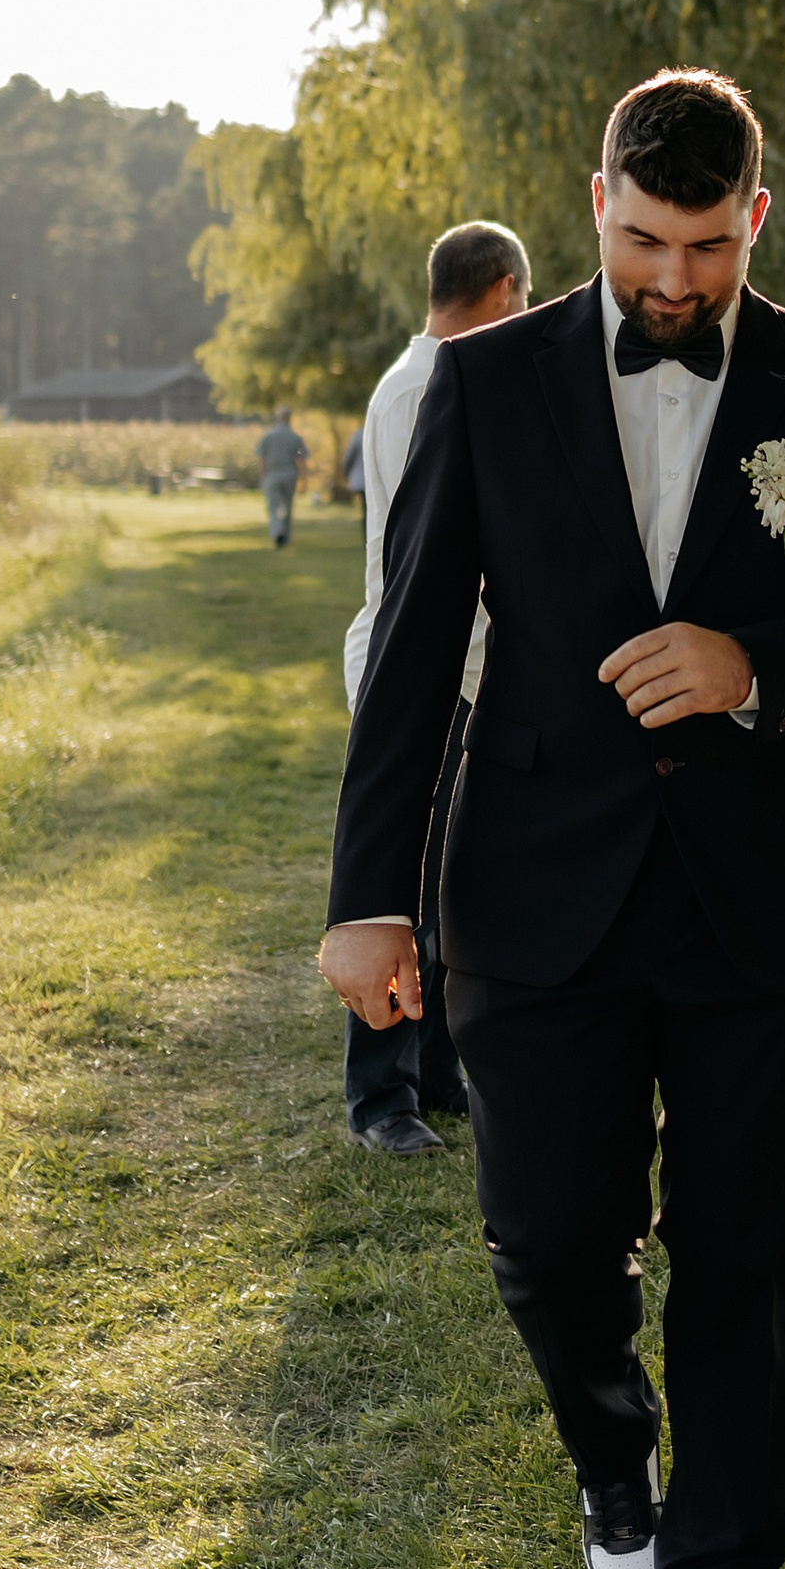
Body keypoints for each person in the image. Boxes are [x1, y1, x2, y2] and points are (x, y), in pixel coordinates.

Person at [320, 69, 785, 1569]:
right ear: (596, 195)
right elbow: (408, 658)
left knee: (747, 1252)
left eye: (704, 249)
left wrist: (762, 669)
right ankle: (617, 1464)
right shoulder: (483, 385)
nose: (671, 282)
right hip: (530, 889)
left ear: (759, 215)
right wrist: (367, 899)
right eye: (641, 241)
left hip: (759, 901)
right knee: (545, 1245)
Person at [339, 219, 534, 1158]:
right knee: (407, 889)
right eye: (525, 301)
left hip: (460, 666)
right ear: (502, 290)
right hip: (431, 670)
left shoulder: (412, 377)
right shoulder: (428, 385)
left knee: (452, 884)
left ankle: (438, 1066)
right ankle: (381, 1094)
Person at [258, 408, 311, 547]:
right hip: (289, 475)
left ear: (278, 417)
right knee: (288, 507)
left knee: (273, 507)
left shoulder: (268, 436)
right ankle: (285, 536)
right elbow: (301, 459)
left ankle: (277, 532)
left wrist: (262, 476)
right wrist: (304, 477)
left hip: (272, 475)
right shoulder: (295, 437)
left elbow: (261, 459)